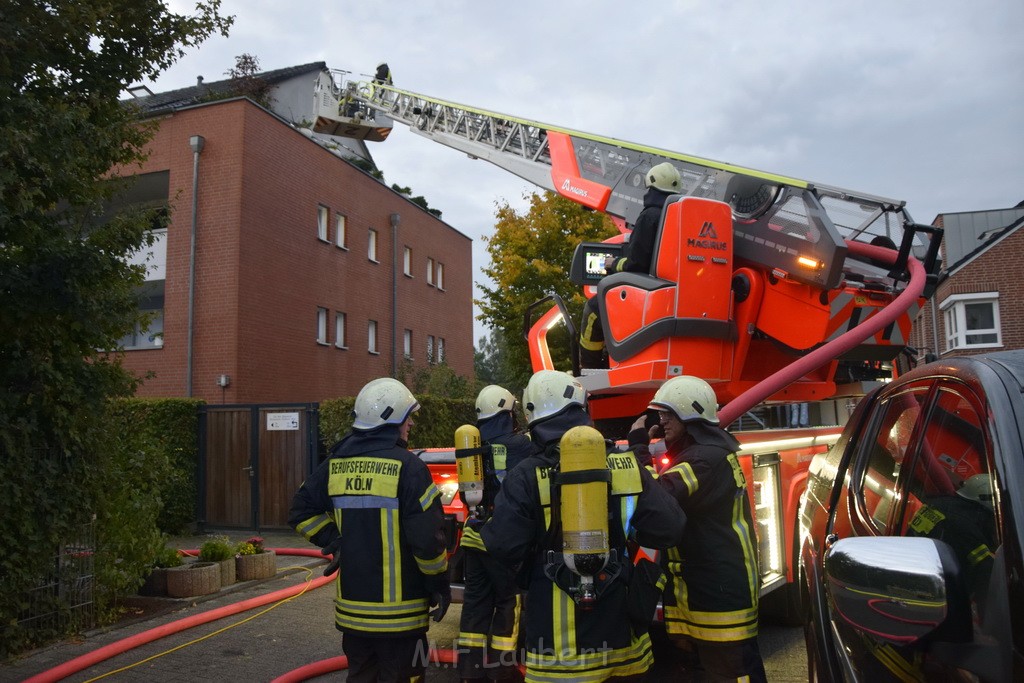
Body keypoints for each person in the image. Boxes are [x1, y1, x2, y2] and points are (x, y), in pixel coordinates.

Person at [460, 370, 686, 682]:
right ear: (581, 410)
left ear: (534, 418)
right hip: (622, 644)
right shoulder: (625, 464)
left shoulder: (526, 474)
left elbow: (503, 546)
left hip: (556, 655)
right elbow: (670, 527)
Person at [289, 377, 450, 682]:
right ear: (393, 420)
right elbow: (429, 543)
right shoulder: (409, 467)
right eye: (408, 416)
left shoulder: (336, 464)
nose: (412, 424)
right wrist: (438, 584)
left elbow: (300, 510)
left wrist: (333, 540)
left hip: (353, 614)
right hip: (401, 618)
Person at [645, 375, 767, 682]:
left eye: (668, 414)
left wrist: (638, 454)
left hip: (717, 594)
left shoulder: (703, 460)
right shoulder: (710, 452)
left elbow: (659, 498)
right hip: (714, 587)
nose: (662, 420)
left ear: (689, 415)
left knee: (731, 672)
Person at [456, 385, 533, 682]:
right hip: (502, 537)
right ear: (507, 413)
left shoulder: (472, 445)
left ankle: (469, 671)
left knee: (475, 602)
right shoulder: (521, 445)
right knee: (508, 600)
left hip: (473, 533)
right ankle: (504, 669)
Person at [579, 161, 682, 369]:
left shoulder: (650, 216)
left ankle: (590, 368)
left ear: (650, 185)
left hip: (646, 290)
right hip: (675, 293)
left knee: (593, 309)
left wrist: (612, 263)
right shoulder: (680, 215)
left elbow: (636, 263)